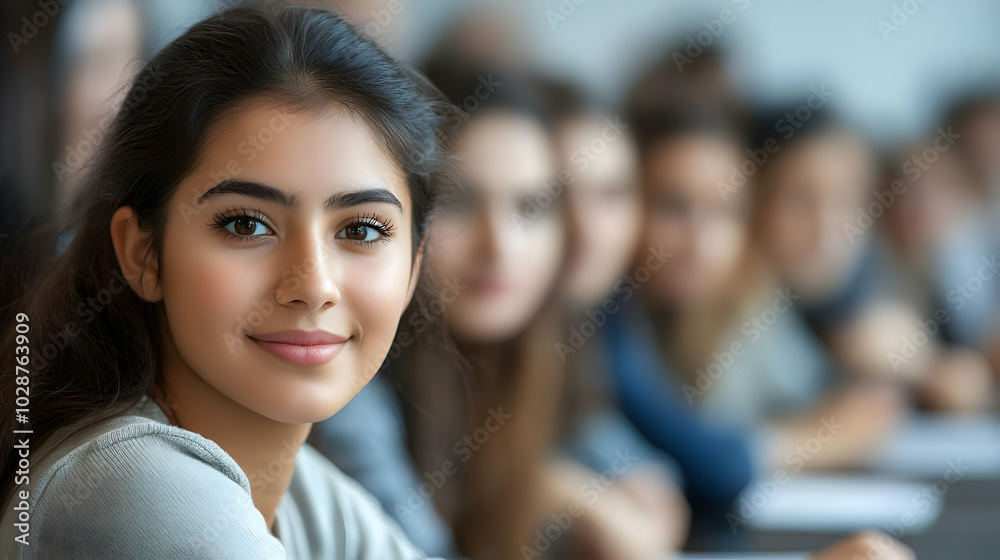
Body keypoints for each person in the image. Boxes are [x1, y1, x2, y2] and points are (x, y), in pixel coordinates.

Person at [0, 5, 457, 558]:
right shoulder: (126, 488)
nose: (313, 285)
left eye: (361, 229)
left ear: (413, 265)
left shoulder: (310, 496)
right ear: (142, 253)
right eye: (246, 224)